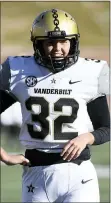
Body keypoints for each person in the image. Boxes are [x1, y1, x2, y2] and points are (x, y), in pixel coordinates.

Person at [0, 8, 110, 202]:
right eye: (50, 43)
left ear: (73, 42)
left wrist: (87, 137)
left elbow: (106, 128)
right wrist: (4, 155)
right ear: (38, 44)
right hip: (35, 174)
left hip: (79, 175)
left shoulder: (90, 72)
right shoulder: (19, 72)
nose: (58, 48)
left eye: (63, 41)